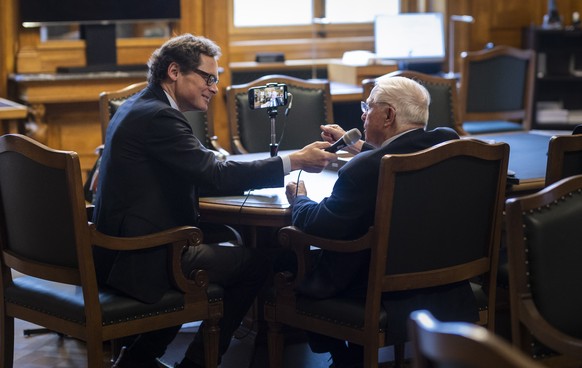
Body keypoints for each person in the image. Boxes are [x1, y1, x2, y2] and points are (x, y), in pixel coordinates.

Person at [91, 33, 336, 368]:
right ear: (175, 71)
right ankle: (193, 364)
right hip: (141, 257)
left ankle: (138, 359)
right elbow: (214, 175)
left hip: (121, 248)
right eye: (208, 78)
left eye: (216, 80)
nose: (214, 87)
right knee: (256, 265)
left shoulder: (139, 106)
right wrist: (294, 161)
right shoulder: (159, 116)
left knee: (214, 255)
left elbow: (197, 171)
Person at [284, 76, 478, 368]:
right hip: (448, 282)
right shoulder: (448, 143)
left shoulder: (362, 171)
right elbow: (400, 154)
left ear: (389, 115)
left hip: (380, 289)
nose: (362, 114)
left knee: (288, 265)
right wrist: (362, 147)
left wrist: (299, 199)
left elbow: (320, 224)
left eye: (368, 106)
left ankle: (345, 359)